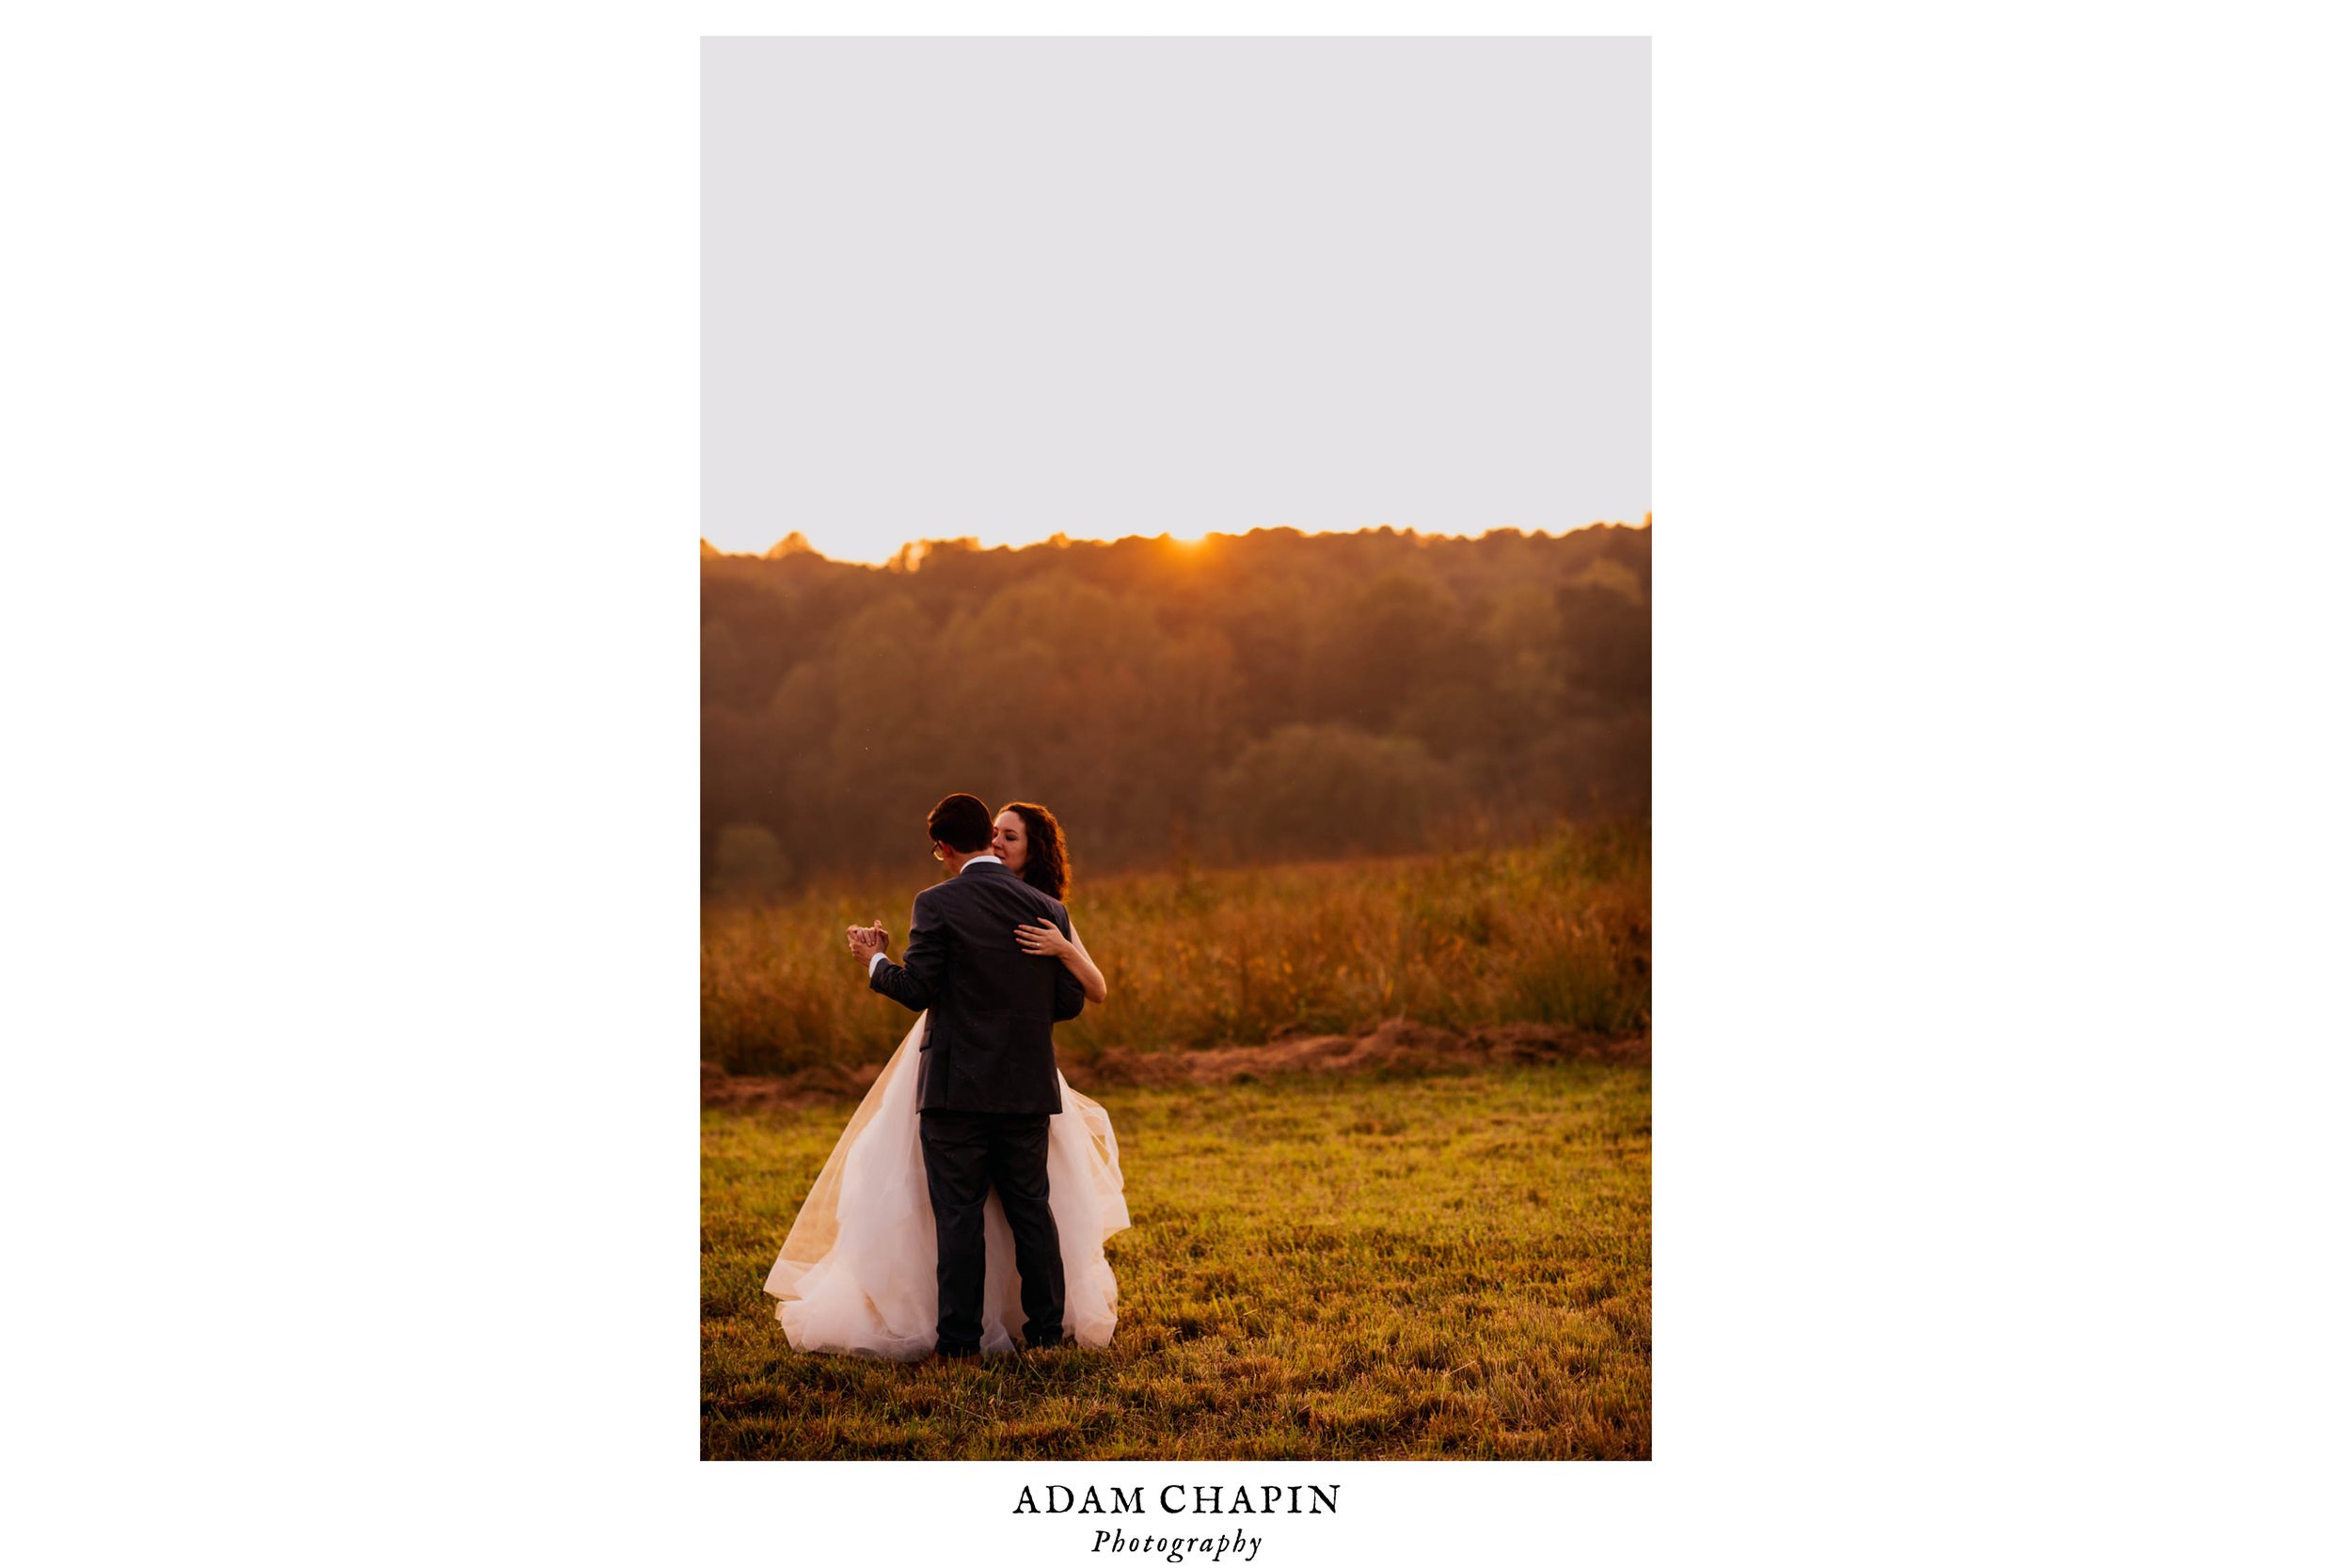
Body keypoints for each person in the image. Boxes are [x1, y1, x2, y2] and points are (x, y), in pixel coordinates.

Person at [762, 795, 1129, 1360]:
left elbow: (918, 991)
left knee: (958, 1217)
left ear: (943, 847)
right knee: (1032, 1211)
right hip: (1027, 1086)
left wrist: (874, 962)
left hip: (955, 1088)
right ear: (988, 835)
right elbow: (1068, 1001)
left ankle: (959, 1343)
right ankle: (1047, 1334)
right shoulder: (1046, 908)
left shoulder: (935, 903)